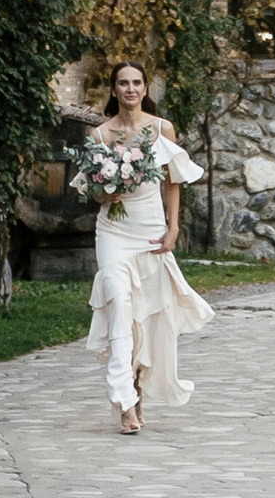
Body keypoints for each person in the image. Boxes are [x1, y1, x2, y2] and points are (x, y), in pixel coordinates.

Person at [84, 61, 215, 433]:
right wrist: (107, 192)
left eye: (137, 83)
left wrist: (174, 226)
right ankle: (125, 402)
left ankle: (137, 388)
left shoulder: (161, 129)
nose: (130, 89)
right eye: (122, 83)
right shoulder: (100, 135)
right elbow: (92, 190)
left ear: (145, 89)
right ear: (113, 90)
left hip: (151, 230)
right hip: (113, 231)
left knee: (146, 315)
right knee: (119, 305)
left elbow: (174, 180)